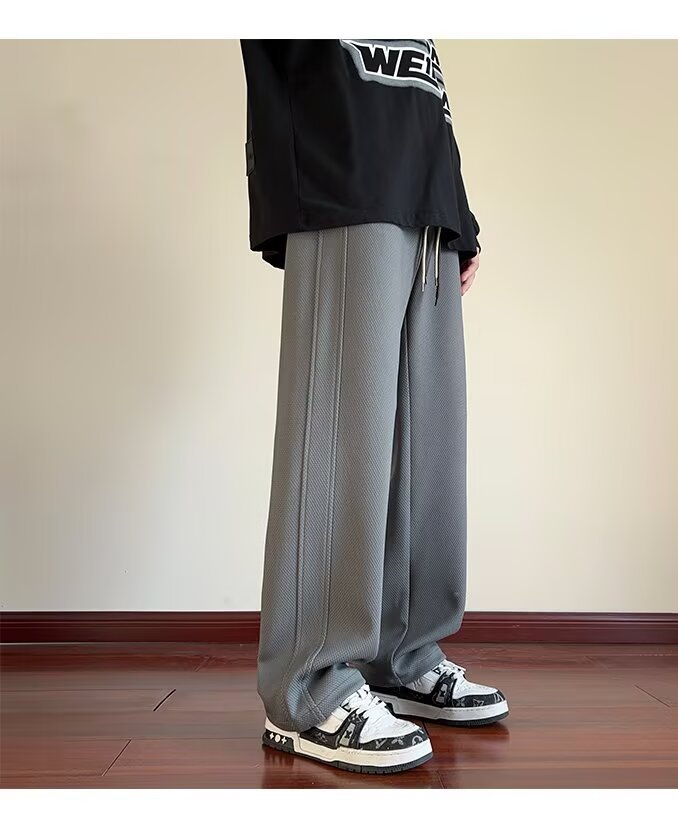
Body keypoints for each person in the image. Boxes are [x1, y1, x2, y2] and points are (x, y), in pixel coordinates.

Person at [240, 39, 508, 775]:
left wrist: (458, 212)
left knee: (428, 445)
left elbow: (423, 94)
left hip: (426, 204)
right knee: (342, 439)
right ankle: (309, 688)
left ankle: (401, 655)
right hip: (343, 180)